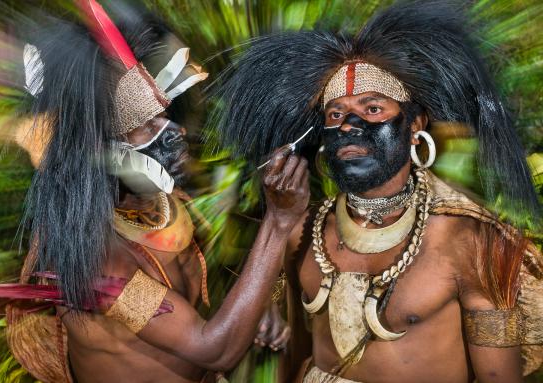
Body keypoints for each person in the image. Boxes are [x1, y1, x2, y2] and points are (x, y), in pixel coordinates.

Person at [213, 1, 543, 382]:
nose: (349, 125)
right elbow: (293, 354)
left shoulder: (469, 242)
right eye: (335, 114)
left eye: (372, 109)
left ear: (415, 124)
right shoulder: (299, 233)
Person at [0, 1, 303, 382]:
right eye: (147, 126)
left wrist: (254, 306)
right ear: (101, 148)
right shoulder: (98, 265)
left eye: (165, 116)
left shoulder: (156, 202)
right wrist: (279, 223)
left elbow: (193, 307)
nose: (174, 132)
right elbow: (214, 349)